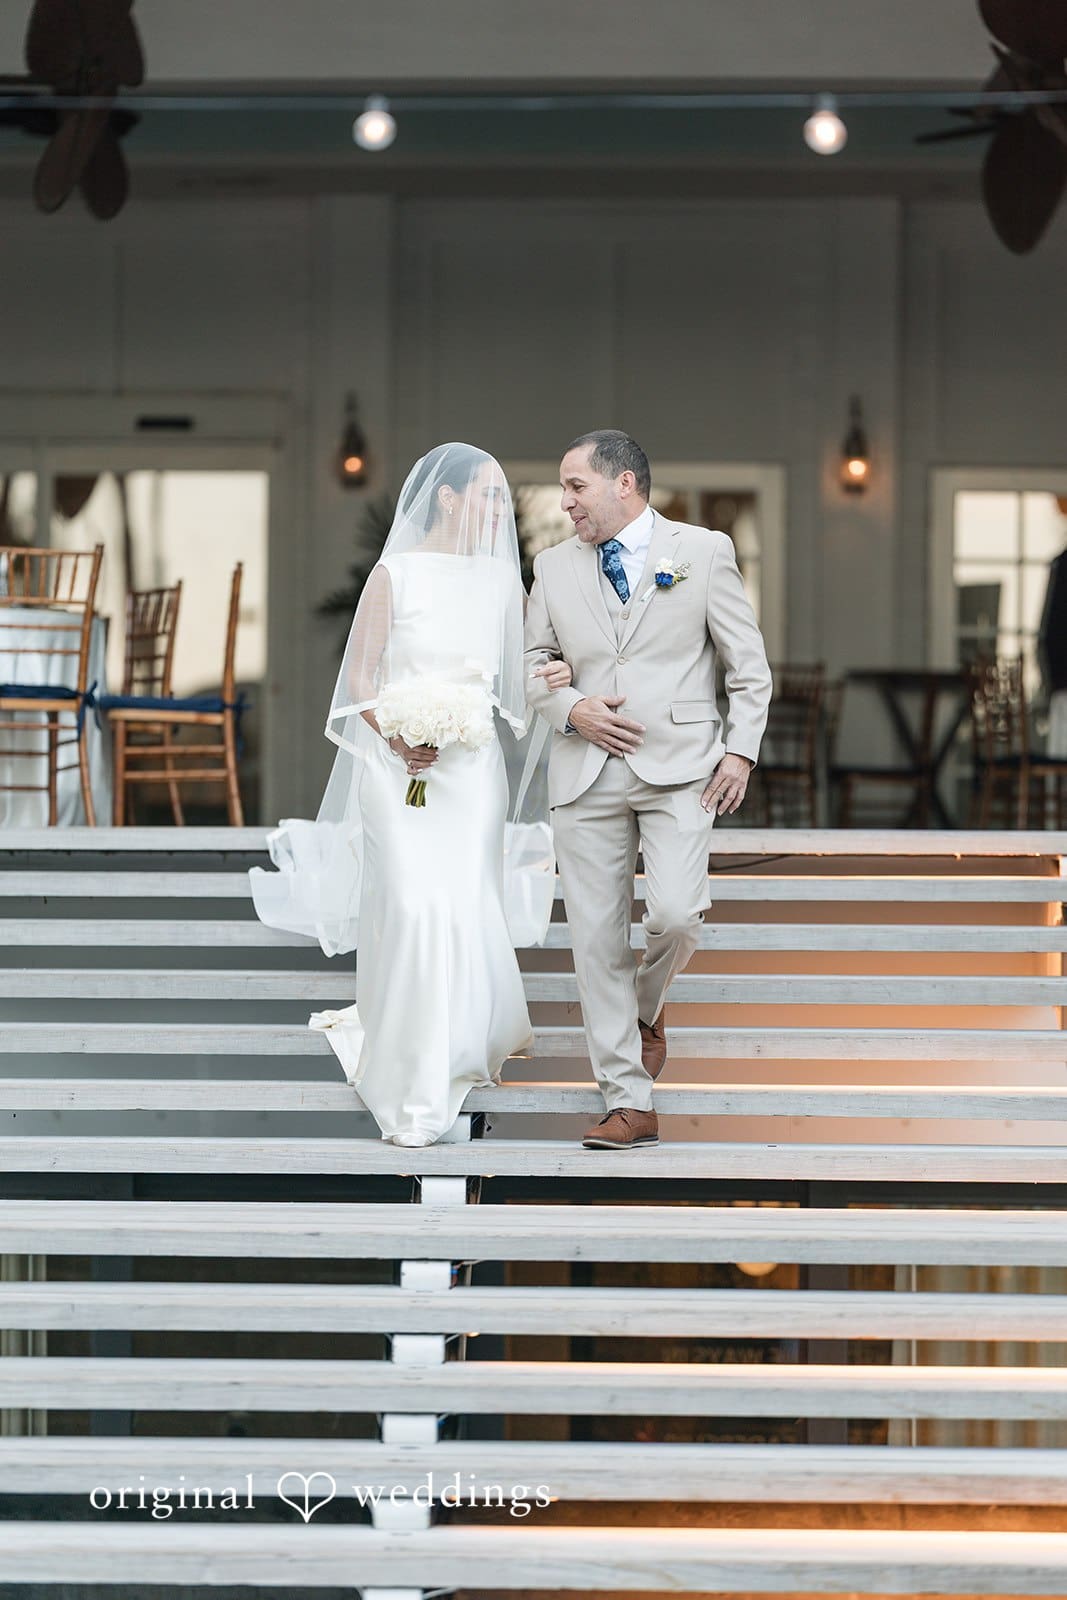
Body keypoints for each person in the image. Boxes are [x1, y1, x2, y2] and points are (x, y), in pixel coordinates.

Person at [250, 443, 568, 1146]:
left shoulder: (500, 581)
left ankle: (461, 1045)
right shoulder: (394, 573)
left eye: (500, 497)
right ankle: (411, 1066)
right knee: (414, 905)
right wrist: (397, 736)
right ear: (448, 499)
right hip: (397, 768)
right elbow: (360, 678)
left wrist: (556, 676)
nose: (499, 509)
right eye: (487, 495)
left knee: (463, 902)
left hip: (471, 769)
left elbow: (526, 666)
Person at [524, 429, 772, 1150]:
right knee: (596, 942)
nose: (565, 502)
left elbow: (748, 667)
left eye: (576, 486)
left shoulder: (703, 551)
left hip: (683, 768)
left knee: (675, 915)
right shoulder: (551, 566)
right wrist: (569, 707)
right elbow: (531, 660)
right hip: (584, 771)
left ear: (624, 483)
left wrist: (740, 753)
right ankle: (628, 1102)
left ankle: (646, 1005)